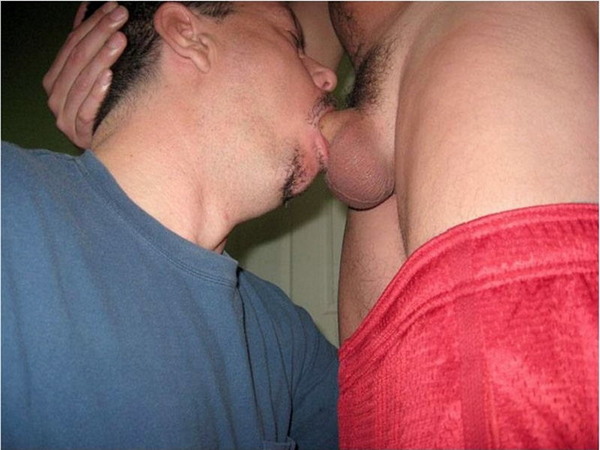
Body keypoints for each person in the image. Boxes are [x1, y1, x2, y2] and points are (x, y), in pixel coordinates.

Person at [43, 1, 599, 449]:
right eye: (294, 44)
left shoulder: (275, 338)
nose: (327, 77)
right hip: (382, 378)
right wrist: (125, 98)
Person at [2, 2, 341, 448]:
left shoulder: (284, 338)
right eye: (293, 43)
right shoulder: (12, 205)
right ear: (186, 32)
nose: (328, 77)